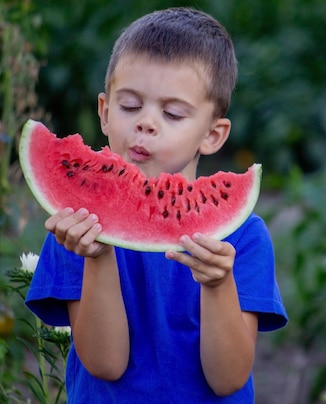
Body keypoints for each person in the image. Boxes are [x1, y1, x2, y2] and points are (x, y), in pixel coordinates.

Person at [25, 7, 288, 403]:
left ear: (213, 135)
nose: (146, 123)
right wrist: (97, 257)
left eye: (173, 113)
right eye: (130, 106)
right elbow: (105, 364)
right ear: (105, 113)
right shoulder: (75, 229)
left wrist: (218, 285)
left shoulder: (243, 240)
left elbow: (228, 378)